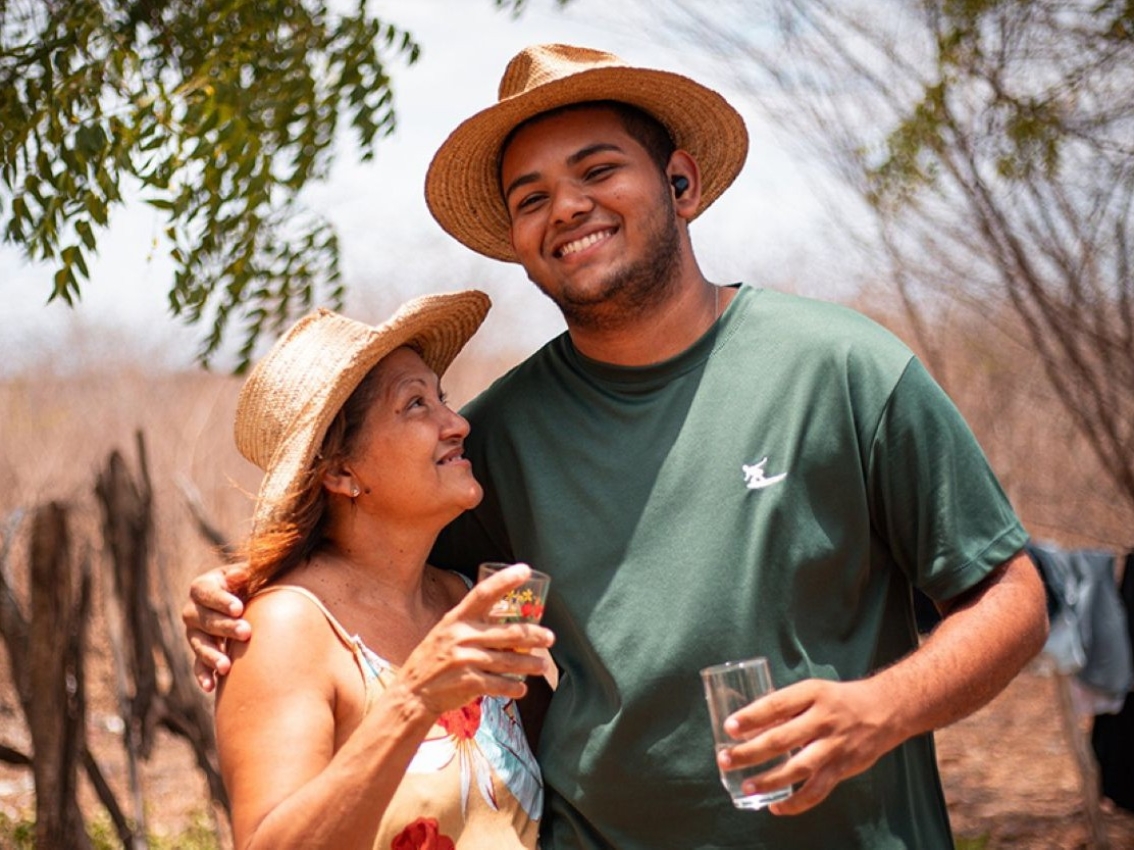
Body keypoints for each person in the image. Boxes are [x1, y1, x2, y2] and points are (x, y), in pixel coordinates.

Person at [186, 44, 1049, 849]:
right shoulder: (498, 437)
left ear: (682, 183)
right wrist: (233, 598)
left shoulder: (843, 368)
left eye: (598, 170)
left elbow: (1012, 600)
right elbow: (365, 571)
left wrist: (880, 711)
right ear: (519, 242)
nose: (566, 207)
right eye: (531, 199)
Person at [208, 290, 554, 850]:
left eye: (443, 398)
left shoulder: (469, 599)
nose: (457, 423)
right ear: (341, 472)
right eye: (416, 405)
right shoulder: (287, 630)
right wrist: (414, 699)